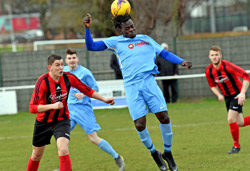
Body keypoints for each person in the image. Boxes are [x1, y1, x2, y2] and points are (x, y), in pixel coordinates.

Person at [83, 13, 192, 171]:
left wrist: (181, 61)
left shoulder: (146, 39)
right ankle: (154, 153)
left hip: (149, 82)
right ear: (121, 30)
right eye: (128, 27)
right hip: (132, 86)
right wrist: (87, 29)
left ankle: (168, 153)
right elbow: (91, 46)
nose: (132, 28)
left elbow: (164, 53)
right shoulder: (116, 42)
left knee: (164, 117)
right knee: (140, 125)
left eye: (133, 25)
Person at [27, 54, 114, 171]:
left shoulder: (68, 77)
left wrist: (104, 99)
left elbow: (86, 89)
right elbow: (32, 108)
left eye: (62, 64)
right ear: (50, 67)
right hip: (43, 122)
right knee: (36, 155)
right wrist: (53, 106)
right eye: (57, 65)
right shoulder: (42, 82)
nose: (61, 68)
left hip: (62, 120)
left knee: (63, 149)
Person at [63, 48, 125, 171]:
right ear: (66, 60)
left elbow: (95, 88)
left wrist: (84, 94)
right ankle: (65, 168)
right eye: (69, 58)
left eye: (74, 57)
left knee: (93, 138)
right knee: (62, 138)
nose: (72, 60)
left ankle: (117, 157)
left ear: (77, 59)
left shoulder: (85, 73)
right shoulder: (63, 71)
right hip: (69, 109)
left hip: (83, 109)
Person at [205, 45, 250, 154]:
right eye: (212, 55)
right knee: (240, 122)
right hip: (227, 97)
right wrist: (219, 95)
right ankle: (236, 145)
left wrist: (242, 93)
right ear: (209, 57)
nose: (214, 57)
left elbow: (246, 76)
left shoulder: (228, 66)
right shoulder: (209, 71)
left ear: (220, 55)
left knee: (230, 119)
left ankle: (236, 146)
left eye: (216, 55)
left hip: (237, 95)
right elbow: (212, 85)